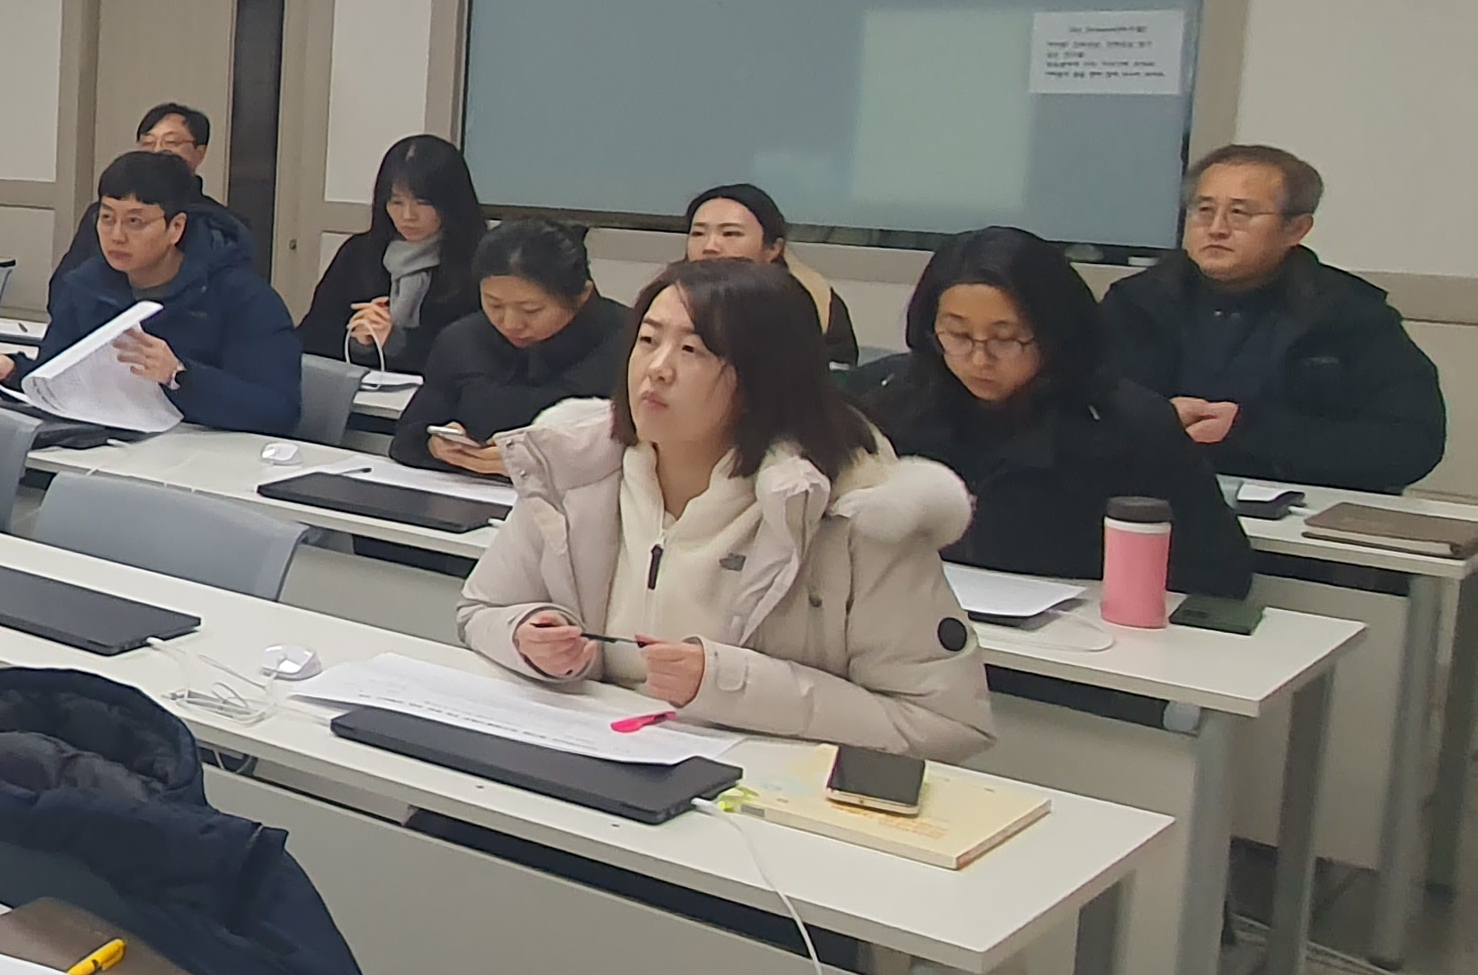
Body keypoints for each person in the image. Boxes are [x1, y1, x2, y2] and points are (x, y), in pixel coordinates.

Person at [456, 259, 988, 757]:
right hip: (589, 754)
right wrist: (526, 634)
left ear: (764, 376)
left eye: (692, 351)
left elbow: (944, 723)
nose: (656, 369)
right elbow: (481, 610)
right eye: (648, 341)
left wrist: (731, 685)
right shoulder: (576, 466)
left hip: (755, 793)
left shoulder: (854, 513)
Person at [868, 228, 1252, 597]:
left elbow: (1219, 574)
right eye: (958, 336)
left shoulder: (1130, 424)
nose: (979, 359)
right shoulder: (890, 403)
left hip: (1080, 629)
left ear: (1053, 331)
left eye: (1005, 339)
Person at [1099, 145, 1449, 493]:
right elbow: (1083, 410)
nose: (1216, 228)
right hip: (1151, 498)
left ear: (1295, 229)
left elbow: (1411, 444)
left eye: (1240, 213)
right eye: (1203, 210)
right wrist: (1153, 420)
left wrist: (1249, 431)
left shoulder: (1347, 314)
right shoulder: (1137, 302)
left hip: (1301, 506)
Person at [0, 151, 298, 435]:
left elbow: (278, 411)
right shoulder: (86, 286)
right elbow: (59, 375)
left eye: (135, 222)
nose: (116, 235)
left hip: (203, 458)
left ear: (176, 228)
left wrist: (180, 376)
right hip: (110, 447)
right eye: (107, 218)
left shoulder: (243, 298)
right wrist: (13, 372)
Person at [392, 218, 631, 475]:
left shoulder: (630, 346)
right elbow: (408, 436)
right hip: (467, 490)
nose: (510, 323)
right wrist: (434, 446)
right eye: (494, 304)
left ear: (583, 296)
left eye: (531, 310)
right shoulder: (462, 339)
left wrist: (547, 467)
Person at [299, 134, 488, 371]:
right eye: (396, 202)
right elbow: (311, 335)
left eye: (422, 202)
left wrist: (397, 342)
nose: (408, 216)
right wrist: (359, 339)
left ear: (451, 202)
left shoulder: (478, 260)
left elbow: (477, 354)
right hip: (360, 389)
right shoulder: (361, 253)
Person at [683, 182, 860, 362]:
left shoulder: (810, 301)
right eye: (698, 233)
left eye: (730, 234)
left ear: (773, 248)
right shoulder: (671, 296)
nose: (710, 247)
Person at [134, 100, 255, 255]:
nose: (157, 151)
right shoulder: (112, 214)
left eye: (171, 142)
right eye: (148, 143)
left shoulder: (224, 226)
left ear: (199, 153)